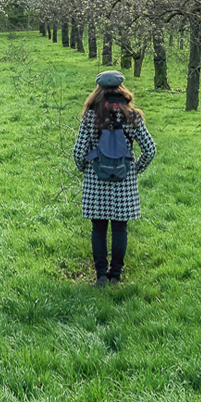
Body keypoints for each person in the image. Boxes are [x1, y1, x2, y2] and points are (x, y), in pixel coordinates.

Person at [72, 70, 155, 287]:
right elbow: (150, 149)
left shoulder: (90, 115)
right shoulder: (133, 115)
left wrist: (85, 170)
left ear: (98, 91)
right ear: (122, 89)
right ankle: (115, 275)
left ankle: (100, 275)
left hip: (96, 180)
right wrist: (135, 169)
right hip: (123, 181)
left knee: (98, 228)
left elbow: (79, 152)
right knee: (120, 228)